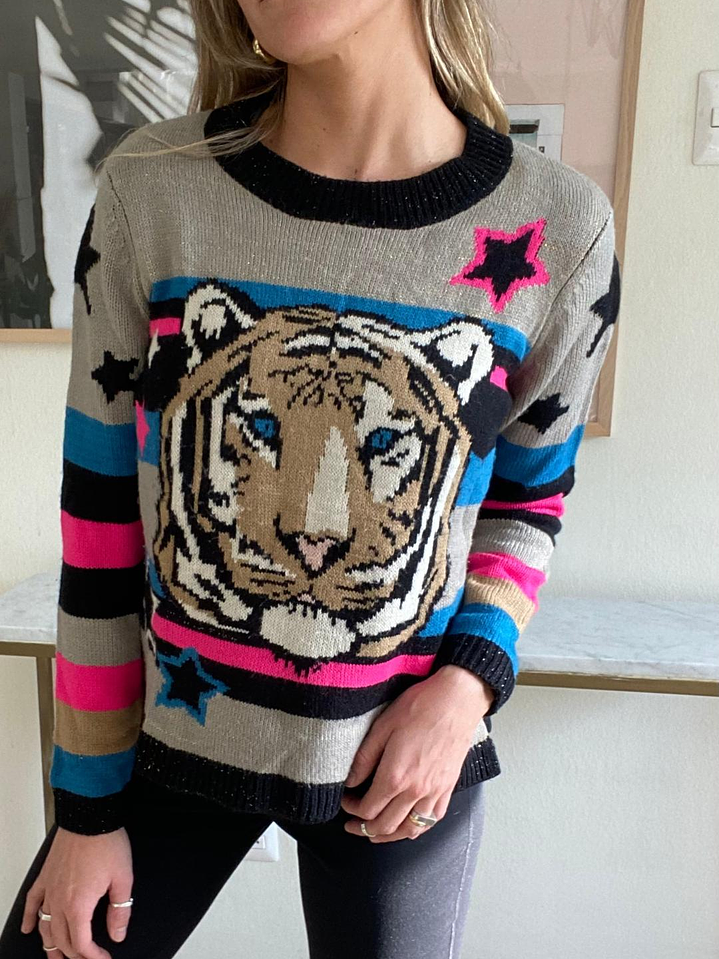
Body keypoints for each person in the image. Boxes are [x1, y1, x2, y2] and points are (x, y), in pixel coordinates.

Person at [0, 0, 622, 956]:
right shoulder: (152, 190)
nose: (314, 529)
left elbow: (525, 502)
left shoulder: (560, 228)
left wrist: (466, 688)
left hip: (399, 757)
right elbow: (100, 522)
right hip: (168, 741)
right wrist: (85, 807)